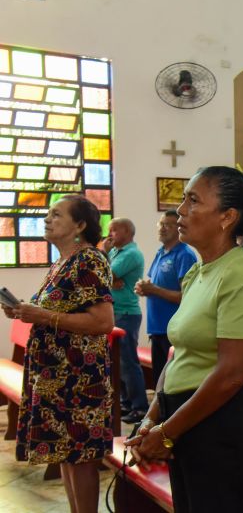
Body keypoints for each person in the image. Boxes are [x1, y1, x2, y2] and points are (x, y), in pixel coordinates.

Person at [125, 166, 243, 513]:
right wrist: (152, 418)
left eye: (193, 200)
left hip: (221, 427)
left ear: (227, 216)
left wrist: (167, 431)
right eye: (184, 199)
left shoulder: (242, 273)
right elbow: (177, 356)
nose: (181, 210)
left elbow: (231, 373)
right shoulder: (198, 272)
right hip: (186, 417)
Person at [3, 195, 114, 513]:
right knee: (66, 454)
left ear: (79, 226)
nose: (47, 219)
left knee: (79, 456)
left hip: (79, 378)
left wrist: (40, 316)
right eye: (48, 214)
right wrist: (25, 311)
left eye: (56, 214)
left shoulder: (90, 260)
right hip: (57, 376)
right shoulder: (63, 262)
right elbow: (57, 309)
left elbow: (103, 321)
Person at [134, 210, 197, 382]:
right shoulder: (160, 252)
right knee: (158, 381)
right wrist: (144, 287)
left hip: (174, 330)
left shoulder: (185, 255)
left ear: (179, 228)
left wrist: (153, 289)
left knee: (172, 383)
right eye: (161, 224)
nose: (162, 228)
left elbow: (188, 297)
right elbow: (155, 283)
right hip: (157, 328)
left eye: (168, 225)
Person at [107, 217, 148, 424]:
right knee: (116, 361)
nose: (110, 235)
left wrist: (110, 277)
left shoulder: (131, 253)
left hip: (126, 313)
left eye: (113, 230)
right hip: (114, 312)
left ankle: (139, 407)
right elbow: (102, 277)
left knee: (128, 362)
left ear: (126, 231)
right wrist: (110, 279)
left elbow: (107, 273)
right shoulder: (115, 252)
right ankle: (125, 402)